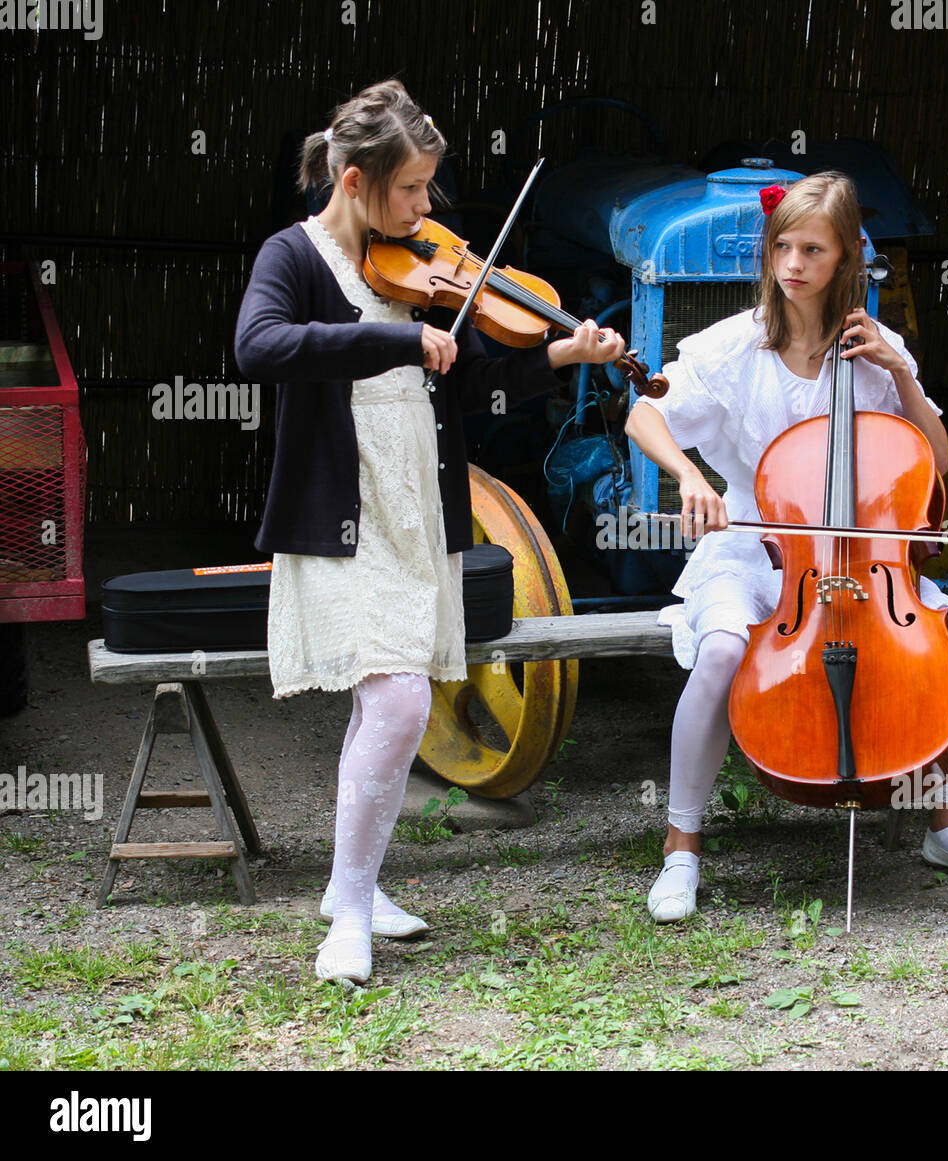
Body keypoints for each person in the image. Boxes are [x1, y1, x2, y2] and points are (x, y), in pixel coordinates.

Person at [234, 80, 626, 980]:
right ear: (353, 176)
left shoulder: (413, 265)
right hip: (344, 502)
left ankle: (354, 887)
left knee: (390, 699)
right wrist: (394, 343)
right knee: (404, 699)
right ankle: (347, 913)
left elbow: (476, 372)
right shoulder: (291, 258)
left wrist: (564, 351)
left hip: (417, 499)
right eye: (410, 190)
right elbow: (260, 347)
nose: (424, 210)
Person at [623, 171, 948, 923]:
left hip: (861, 557)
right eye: (783, 247)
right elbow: (644, 418)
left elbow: (934, 457)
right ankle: (682, 845)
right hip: (752, 548)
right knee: (717, 652)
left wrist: (899, 370)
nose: (794, 264)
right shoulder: (736, 344)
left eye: (813, 249)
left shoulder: (875, 351)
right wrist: (686, 475)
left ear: (845, 259)